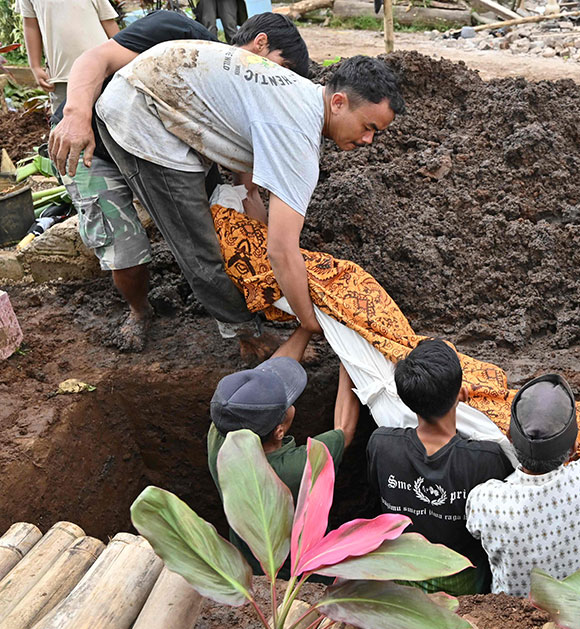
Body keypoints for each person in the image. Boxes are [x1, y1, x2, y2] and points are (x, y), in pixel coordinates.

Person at [90, 42, 403, 360]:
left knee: (227, 224)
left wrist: (264, 268)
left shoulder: (301, 96)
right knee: (199, 244)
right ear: (338, 102)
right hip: (139, 111)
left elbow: (249, 191)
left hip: (169, 89)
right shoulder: (297, 138)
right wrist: (307, 321)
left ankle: (244, 310)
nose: (368, 140)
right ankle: (248, 335)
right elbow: (282, 251)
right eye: (368, 127)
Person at [47, 11, 310, 352]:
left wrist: (249, 200)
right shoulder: (181, 35)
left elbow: (242, 168)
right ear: (261, 44)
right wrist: (76, 116)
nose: (277, 85)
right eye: (280, 69)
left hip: (169, 148)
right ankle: (139, 311)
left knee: (218, 229)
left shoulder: (240, 88)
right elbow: (96, 58)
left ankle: (238, 311)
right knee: (127, 250)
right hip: (91, 145)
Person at [366, 339, 514, 595]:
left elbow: (372, 495)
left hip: (402, 576)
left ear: (405, 400)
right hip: (463, 580)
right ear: (463, 395)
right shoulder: (487, 458)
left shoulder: (381, 444)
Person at [208, 327, 359, 568]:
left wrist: (307, 328)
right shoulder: (296, 468)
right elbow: (345, 431)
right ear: (279, 430)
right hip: (299, 569)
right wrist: (348, 362)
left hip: (248, 561)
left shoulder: (220, 435)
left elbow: (260, 379)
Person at [465, 374, 580, 598]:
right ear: (573, 448)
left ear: (509, 437)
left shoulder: (486, 501)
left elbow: (473, 532)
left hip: (517, 618)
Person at [17, 0, 119, 110]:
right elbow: (30, 24)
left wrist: (125, 62)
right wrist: (35, 66)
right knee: (63, 122)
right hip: (62, 77)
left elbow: (108, 21)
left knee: (110, 118)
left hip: (104, 72)